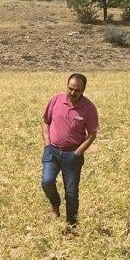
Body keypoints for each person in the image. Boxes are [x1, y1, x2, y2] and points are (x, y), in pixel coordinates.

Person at [41, 73, 98, 228]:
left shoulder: (89, 108)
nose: (73, 93)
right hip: (52, 150)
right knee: (46, 181)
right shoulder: (56, 100)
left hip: (72, 155)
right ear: (67, 86)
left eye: (77, 90)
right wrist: (47, 143)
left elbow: (92, 133)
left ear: (83, 90)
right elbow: (46, 121)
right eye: (70, 88)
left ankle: (72, 225)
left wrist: (78, 152)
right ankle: (55, 205)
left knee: (71, 193)